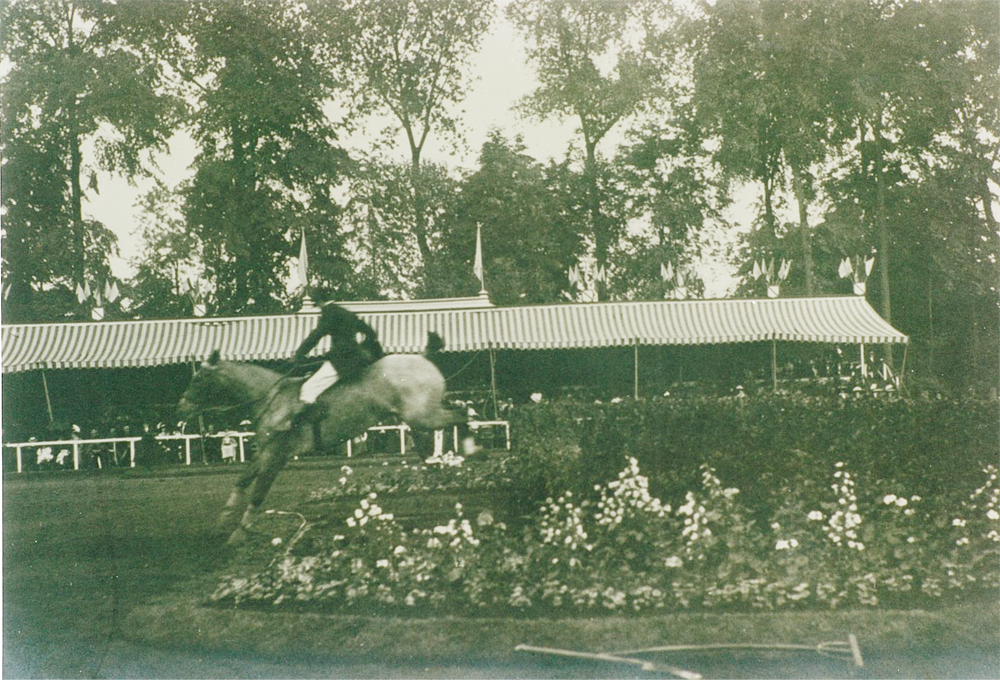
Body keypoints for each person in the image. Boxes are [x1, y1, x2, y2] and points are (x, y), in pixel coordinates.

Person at [289, 302, 385, 439]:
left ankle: (312, 432)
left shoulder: (329, 313)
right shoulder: (346, 312)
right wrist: (362, 348)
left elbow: (316, 335)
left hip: (341, 360)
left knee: (308, 389)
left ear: (320, 302)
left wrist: (299, 354)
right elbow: (371, 332)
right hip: (354, 359)